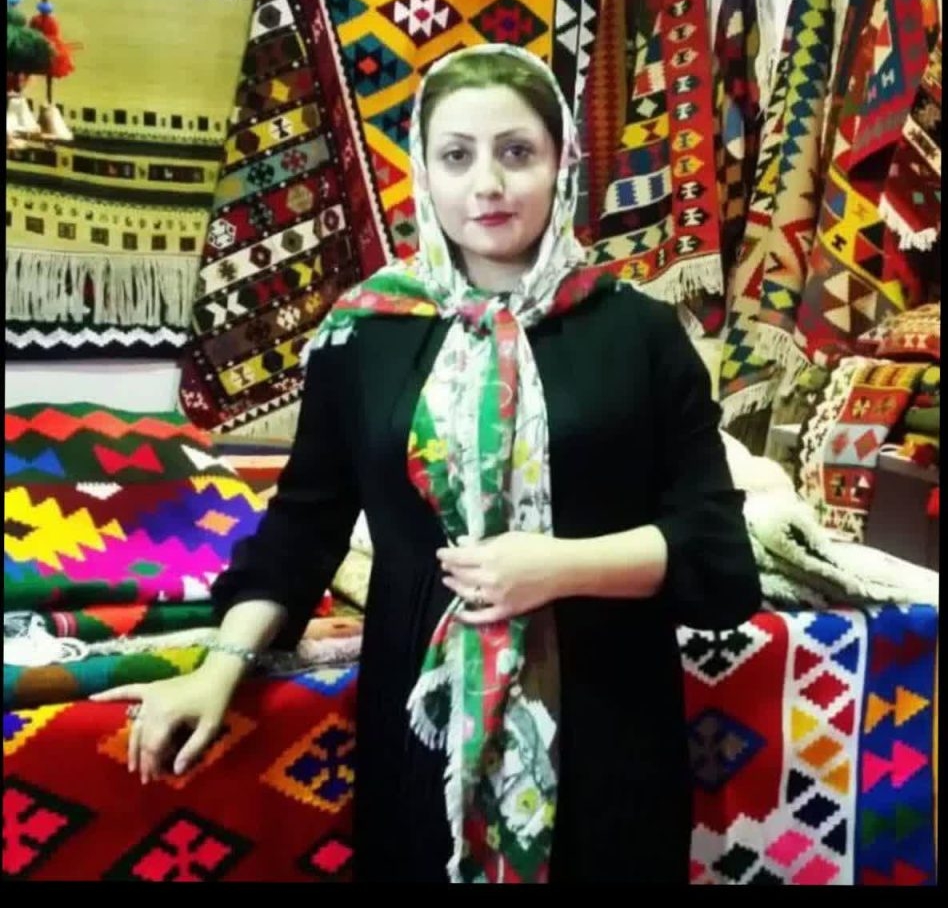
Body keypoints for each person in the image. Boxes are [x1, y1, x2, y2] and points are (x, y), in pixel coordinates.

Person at [92, 43, 761, 883]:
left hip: (609, 736)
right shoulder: (366, 335)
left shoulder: (640, 334)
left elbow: (719, 558)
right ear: (423, 171)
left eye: (516, 151)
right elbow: (302, 529)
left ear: (562, 165)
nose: (488, 184)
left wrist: (560, 568)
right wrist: (219, 670)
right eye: (457, 156)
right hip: (420, 738)